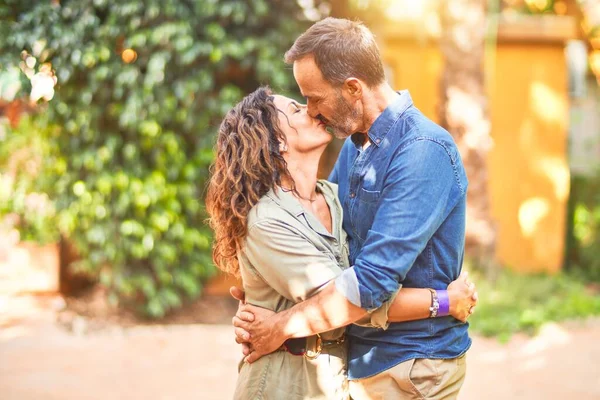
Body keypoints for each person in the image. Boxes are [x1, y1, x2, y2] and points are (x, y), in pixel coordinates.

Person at [232, 17, 474, 400]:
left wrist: (280, 325)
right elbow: (335, 258)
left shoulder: (423, 151)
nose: (312, 111)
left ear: (353, 88)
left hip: (410, 365)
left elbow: (371, 283)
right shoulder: (356, 150)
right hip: (363, 362)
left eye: (314, 98)